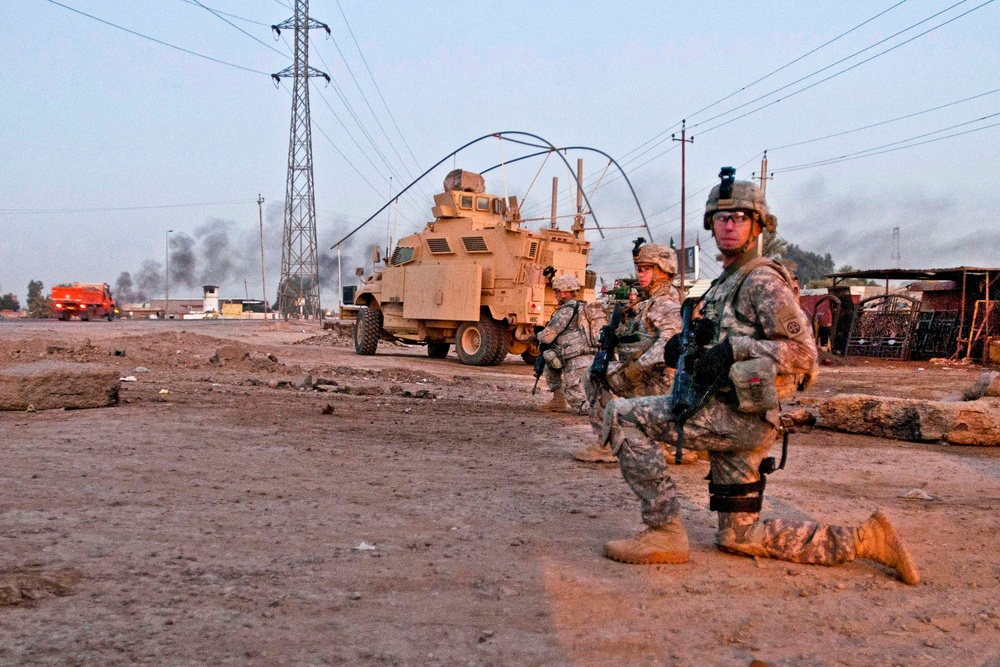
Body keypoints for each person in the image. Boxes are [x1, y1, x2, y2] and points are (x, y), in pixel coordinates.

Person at [598, 167, 920, 586]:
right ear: (710, 226)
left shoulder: (762, 280)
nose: (729, 225)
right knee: (740, 535)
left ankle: (663, 531)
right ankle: (866, 539)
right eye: (721, 218)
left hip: (736, 417)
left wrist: (734, 350)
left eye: (740, 218)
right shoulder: (724, 283)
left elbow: (805, 355)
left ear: (758, 225)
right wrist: (688, 351)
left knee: (622, 414)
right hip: (734, 412)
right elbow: (716, 342)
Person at [573, 244, 687, 464]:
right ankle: (665, 443)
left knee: (593, 374)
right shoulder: (653, 301)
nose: (640, 274)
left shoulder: (665, 303)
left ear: (663, 271)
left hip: (657, 379)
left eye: (646, 269)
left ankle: (608, 443)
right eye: (639, 268)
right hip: (656, 378)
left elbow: (670, 341)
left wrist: (638, 366)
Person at [536, 273, 594, 413]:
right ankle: (557, 401)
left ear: (566, 292)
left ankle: (612, 412)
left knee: (581, 405)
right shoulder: (584, 307)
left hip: (574, 359)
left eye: (557, 291)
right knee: (549, 358)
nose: (555, 295)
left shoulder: (567, 311)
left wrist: (537, 334)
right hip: (589, 356)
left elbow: (547, 337)